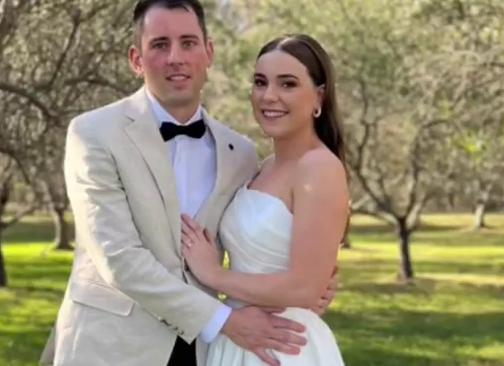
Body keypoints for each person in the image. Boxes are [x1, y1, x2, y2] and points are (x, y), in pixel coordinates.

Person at [40, 1, 336, 365]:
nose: (175, 57)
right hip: (112, 348)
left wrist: (308, 288)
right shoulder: (93, 133)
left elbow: (266, 241)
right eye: (160, 44)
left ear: (208, 52)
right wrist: (224, 320)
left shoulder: (241, 153)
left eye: (188, 42)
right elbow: (117, 257)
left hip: (207, 352)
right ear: (136, 58)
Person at [181, 34, 349, 366]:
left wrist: (214, 275)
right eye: (260, 82)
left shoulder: (319, 168)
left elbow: (305, 289)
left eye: (287, 84)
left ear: (319, 97)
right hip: (238, 337)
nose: (269, 96)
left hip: (284, 346)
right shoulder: (262, 166)